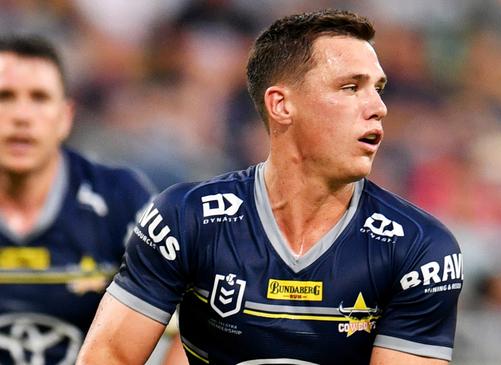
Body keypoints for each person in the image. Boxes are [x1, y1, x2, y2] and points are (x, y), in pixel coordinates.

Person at [77, 9, 464, 365]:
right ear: (281, 105)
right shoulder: (184, 219)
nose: (378, 107)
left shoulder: (419, 248)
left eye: (377, 88)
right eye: (350, 87)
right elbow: (108, 356)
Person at [0, 35, 156, 364]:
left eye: (39, 98)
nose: (22, 116)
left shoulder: (121, 199)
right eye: (5, 97)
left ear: (65, 116)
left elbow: (186, 329)